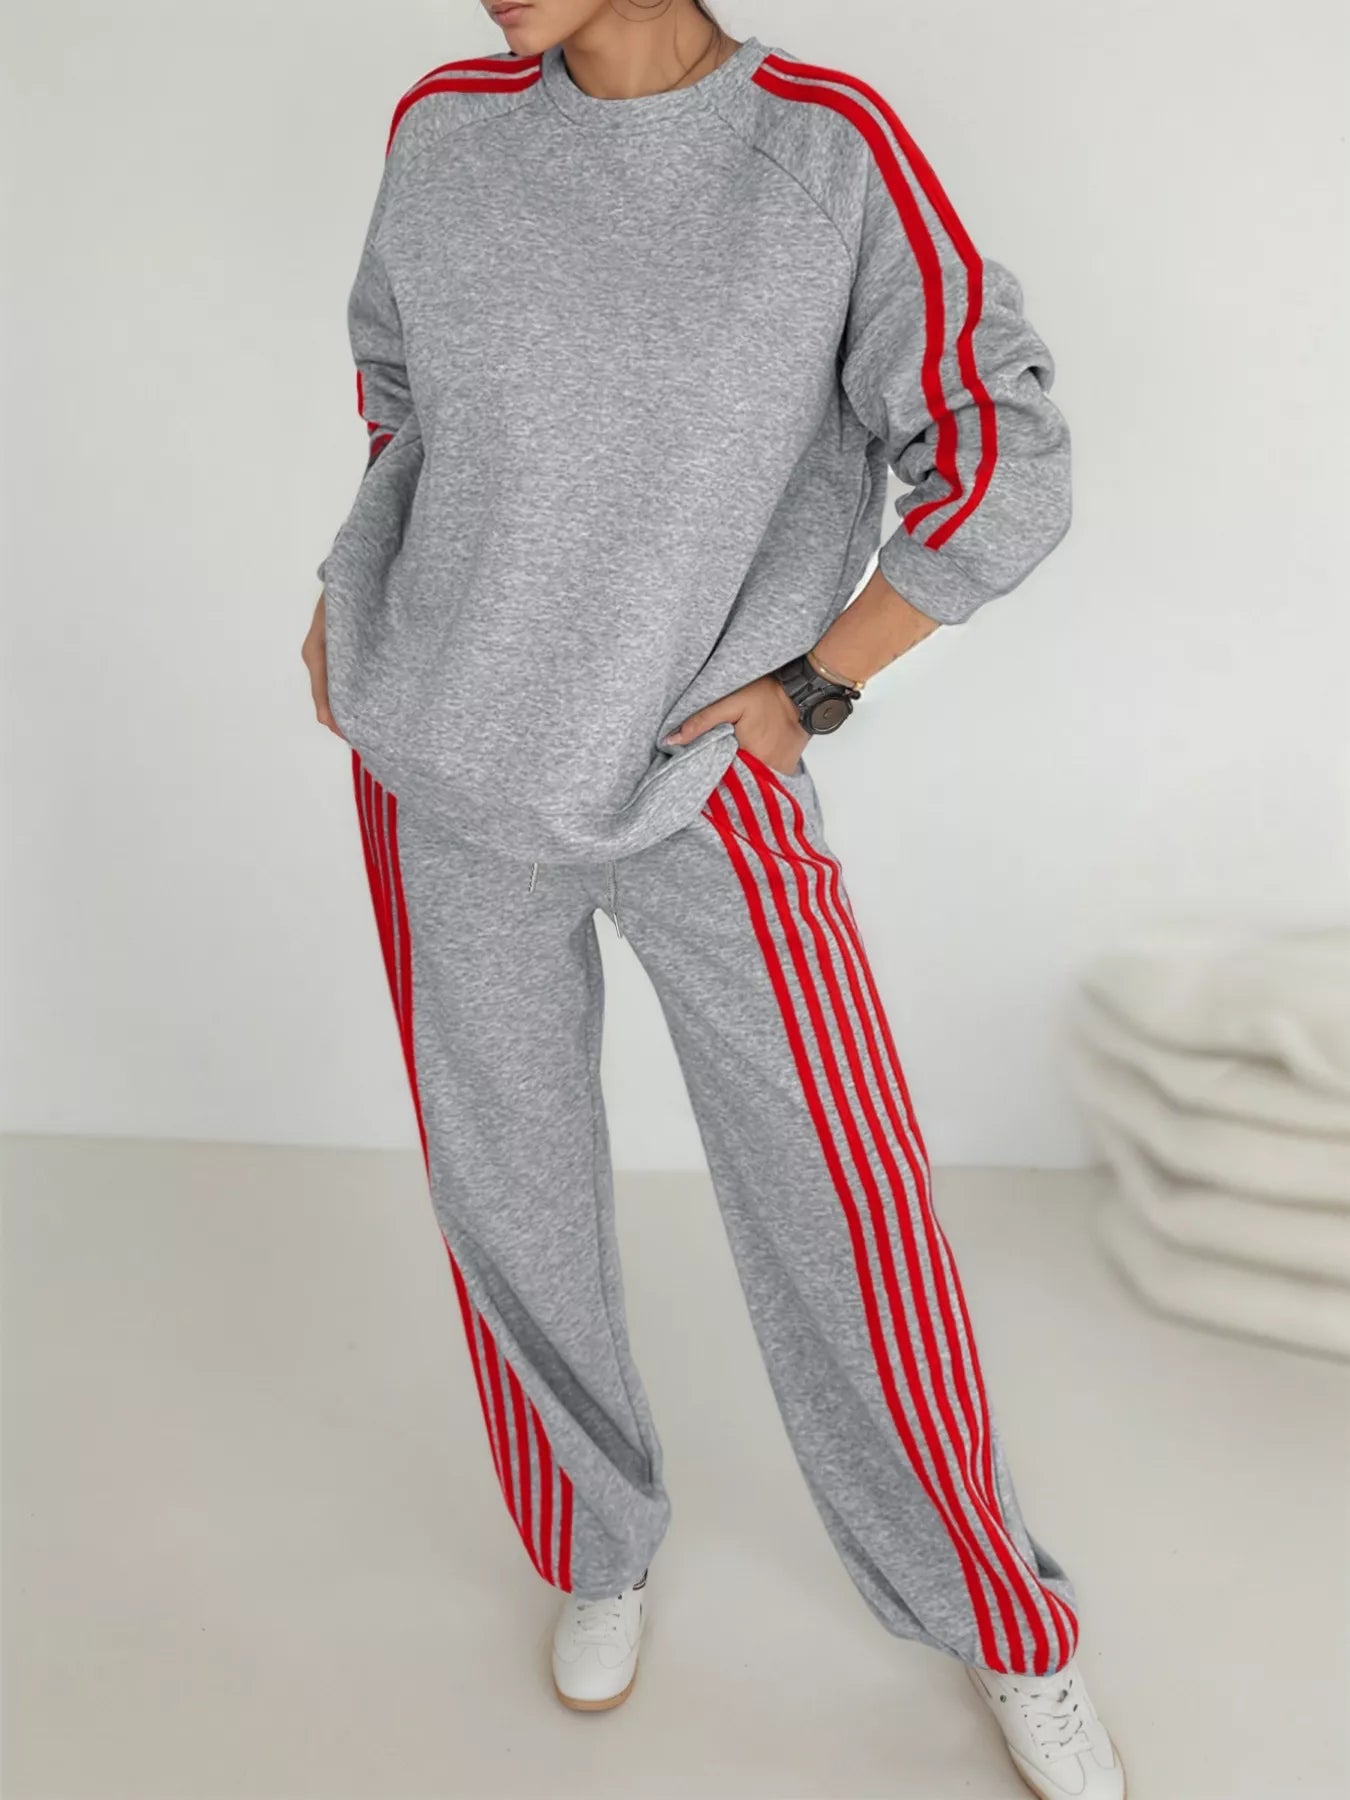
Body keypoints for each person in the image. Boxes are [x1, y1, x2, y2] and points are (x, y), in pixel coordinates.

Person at [302, 4, 1124, 1795]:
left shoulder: (821, 147)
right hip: (441, 757)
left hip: (702, 781)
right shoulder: (446, 127)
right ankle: (593, 1547)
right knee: (508, 1189)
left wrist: (817, 682)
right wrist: (344, 594)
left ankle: (997, 1620)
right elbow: (402, 393)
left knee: (844, 1206)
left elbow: (998, 450)